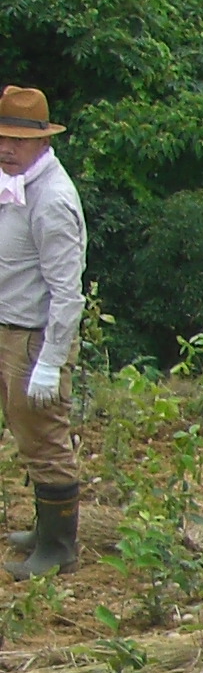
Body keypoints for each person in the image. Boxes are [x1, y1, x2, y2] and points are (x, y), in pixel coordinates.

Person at [0, 84, 87, 578]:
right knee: (25, 432)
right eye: (1, 137)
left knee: (44, 436)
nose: (7, 148)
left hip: (33, 337)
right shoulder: (13, 181)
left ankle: (58, 547)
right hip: (8, 325)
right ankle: (44, 528)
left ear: (42, 142)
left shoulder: (51, 200)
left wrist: (51, 360)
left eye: (17, 140)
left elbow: (66, 290)